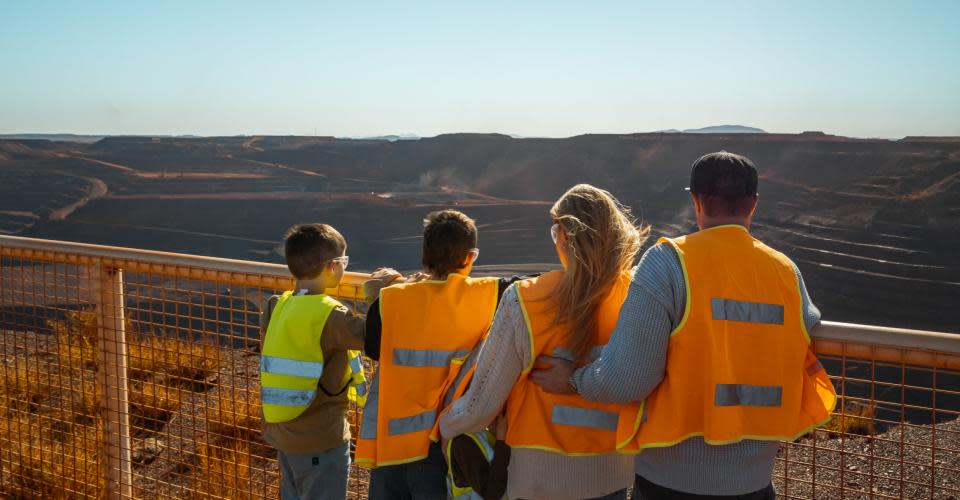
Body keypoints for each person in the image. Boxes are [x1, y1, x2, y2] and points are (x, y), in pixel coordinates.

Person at [531, 152, 837, 499]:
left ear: (696, 201)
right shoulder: (785, 271)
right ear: (753, 204)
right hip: (755, 482)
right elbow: (805, 325)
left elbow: (626, 381)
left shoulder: (667, 263)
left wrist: (572, 378)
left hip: (671, 483)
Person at [440, 184, 648, 500]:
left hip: (535, 480)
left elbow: (482, 405)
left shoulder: (525, 300)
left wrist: (443, 425)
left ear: (565, 236)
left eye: (555, 231)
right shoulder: (636, 297)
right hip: (611, 478)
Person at [357, 209, 530, 500]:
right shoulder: (488, 294)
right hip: (441, 446)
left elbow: (373, 349)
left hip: (389, 447)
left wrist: (402, 283)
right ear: (471, 255)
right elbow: (534, 282)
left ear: (425, 255)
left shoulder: (389, 300)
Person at [259, 223, 398, 500]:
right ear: (333, 266)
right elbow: (376, 338)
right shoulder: (332, 316)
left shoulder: (276, 305)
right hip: (321, 439)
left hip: (283, 434)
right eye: (344, 262)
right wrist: (380, 292)